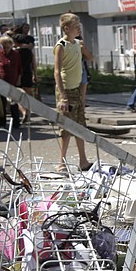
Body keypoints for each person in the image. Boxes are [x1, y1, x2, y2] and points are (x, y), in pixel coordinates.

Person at [54, 12, 91, 172]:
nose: (79, 29)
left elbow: (90, 58)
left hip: (76, 89)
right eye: (76, 27)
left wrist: (84, 48)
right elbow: (56, 71)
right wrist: (62, 96)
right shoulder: (61, 46)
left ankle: (83, 160)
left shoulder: (78, 44)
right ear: (67, 28)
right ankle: (61, 162)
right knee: (66, 127)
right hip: (65, 90)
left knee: (80, 126)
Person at [0, 35, 22, 128]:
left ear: (11, 45)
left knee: (13, 102)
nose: (6, 49)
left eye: (7, 47)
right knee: (2, 103)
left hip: (13, 80)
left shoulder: (15, 54)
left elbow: (19, 68)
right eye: (4, 47)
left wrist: (18, 80)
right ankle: (1, 122)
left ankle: (16, 122)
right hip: (2, 81)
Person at [14, 33, 37, 124]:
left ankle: (24, 112)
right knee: (28, 94)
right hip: (28, 73)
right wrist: (35, 75)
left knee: (18, 95)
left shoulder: (15, 52)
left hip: (18, 75)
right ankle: (28, 111)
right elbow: (34, 64)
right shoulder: (29, 52)